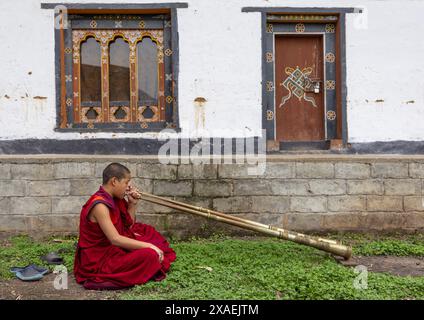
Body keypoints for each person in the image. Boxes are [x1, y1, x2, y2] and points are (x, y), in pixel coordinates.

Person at [74, 162, 176, 290]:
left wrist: (132, 204)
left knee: (147, 232)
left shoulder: (115, 198)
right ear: (114, 181)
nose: (129, 187)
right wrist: (150, 246)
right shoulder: (100, 205)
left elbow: (128, 225)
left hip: (113, 249)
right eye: (126, 183)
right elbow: (115, 239)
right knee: (150, 254)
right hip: (100, 260)